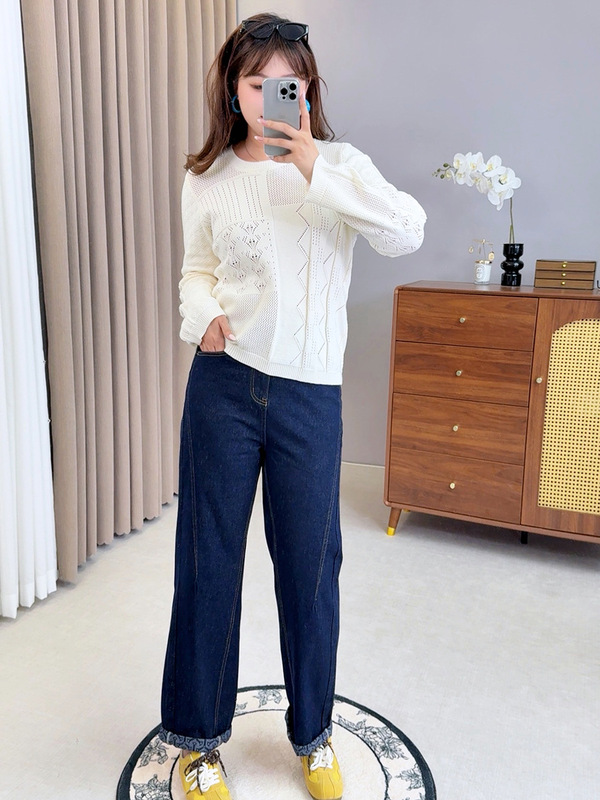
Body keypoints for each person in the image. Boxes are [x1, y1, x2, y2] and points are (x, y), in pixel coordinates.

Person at [158, 12, 426, 800]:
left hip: (309, 394)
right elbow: (196, 268)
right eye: (258, 82)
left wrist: (315, 167)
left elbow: (407, 232)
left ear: (307, 89)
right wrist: (200, 314)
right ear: (233, 91)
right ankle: (198, 744)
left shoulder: (340, 164)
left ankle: (314, 735)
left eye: (291, 82)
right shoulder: (207, 177)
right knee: (207, 562)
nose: (275, 94)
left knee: (311, 569)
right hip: (224, 384)